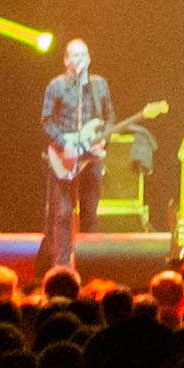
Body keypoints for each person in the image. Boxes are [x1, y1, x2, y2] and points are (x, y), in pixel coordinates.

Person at [39, 41, 117, 270]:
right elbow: (46, 121)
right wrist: (65, 145)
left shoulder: (99, 85)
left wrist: (103, 139)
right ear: (66, 60)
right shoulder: (56, 85)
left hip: (90, 158)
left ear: (89, 58)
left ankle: (89, 267)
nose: (79, 59)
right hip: (65, 158)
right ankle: (62, 267)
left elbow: (110, 118)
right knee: (63, 213)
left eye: (83, 54)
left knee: (90, 213)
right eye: (74, 55)